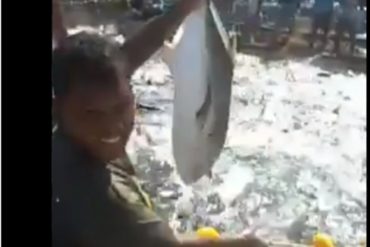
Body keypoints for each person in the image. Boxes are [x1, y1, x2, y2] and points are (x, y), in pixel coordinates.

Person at [52, 0, 268, 246]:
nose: (112, 126)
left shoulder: (69, 122)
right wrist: (247, 244)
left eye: (120, 107)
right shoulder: (108, 201)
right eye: (92, 114)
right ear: (57, 109)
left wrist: (182, 9)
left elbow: (125, 60)